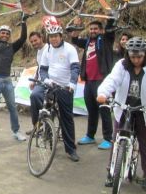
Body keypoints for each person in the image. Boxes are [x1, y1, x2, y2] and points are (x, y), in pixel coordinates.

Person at [97, 37, 146, 192]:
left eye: (139, 56)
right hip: (123, 107)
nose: (136, 60)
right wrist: (103, 93)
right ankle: (111, 172)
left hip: (144, 110)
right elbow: (112, 80)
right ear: (128, 54)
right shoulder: (121, 66)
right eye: (133, 56)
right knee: (117, 138)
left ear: (145, 54)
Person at [30, 17, 80, 162]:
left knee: (66, 118)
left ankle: (70, 149)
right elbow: (43, 69)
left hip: (65, 86)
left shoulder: (69, 49)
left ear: (61, 36)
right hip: (49, 84)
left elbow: (75, 68)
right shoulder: (47, 50)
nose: (53, 39)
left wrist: (72, 83)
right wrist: (45, 79)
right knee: (35, 96)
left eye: (56, 36)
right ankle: (39, 126)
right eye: (51, 37)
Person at [70, 19, 116, 150]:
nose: (93, 31)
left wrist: (110, 19)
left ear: (101, 30)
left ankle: (108, 138)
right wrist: (77, 25)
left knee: (104, 109)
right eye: (91, 29)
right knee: (92, 111)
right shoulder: (87, 43)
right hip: (88, 81)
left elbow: (110, 30)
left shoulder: (105, 40)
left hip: (101, 81)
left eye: (96, 29)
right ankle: (90, 136)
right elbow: (74, 39)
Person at [28, 31, 49, 131]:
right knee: (33, 96)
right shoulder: (38, 51)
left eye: (35, 40)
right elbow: (39, 68)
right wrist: (34, 80)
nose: (34, 43)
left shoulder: (49, 48)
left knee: (38, 98)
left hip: (50, 81)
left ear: (41, 37)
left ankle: (46, 124)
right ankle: (37, 126)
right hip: (41, 82)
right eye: (32, 42)